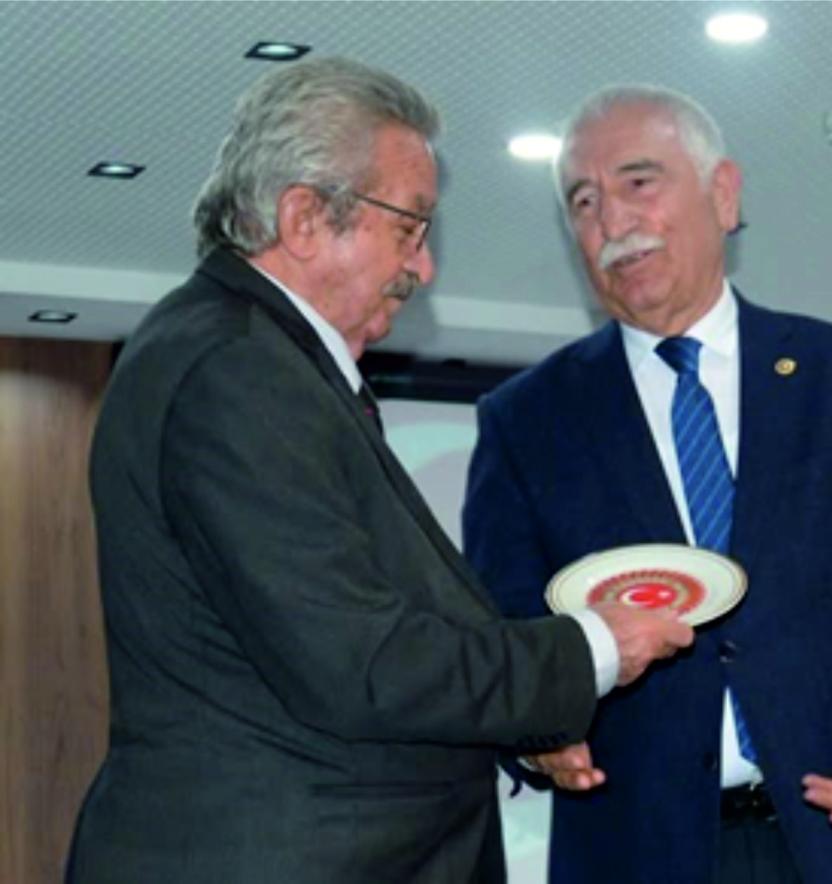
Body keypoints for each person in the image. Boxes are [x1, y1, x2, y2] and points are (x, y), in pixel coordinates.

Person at [64, 61, 695, 884]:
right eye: (410, 228)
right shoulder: (237, 369)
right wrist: (592, 647)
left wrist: (522, 721)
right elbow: (360, 664)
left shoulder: (249, 358)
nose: (423, 268)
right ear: (303, 218)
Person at [463, 85, 832, 884]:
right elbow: (504, 634)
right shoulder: (525, 421)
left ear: (724, 195)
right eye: (584, 202)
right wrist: (537, 735)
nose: (613, 221)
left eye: (639, 182)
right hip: (637, 855)